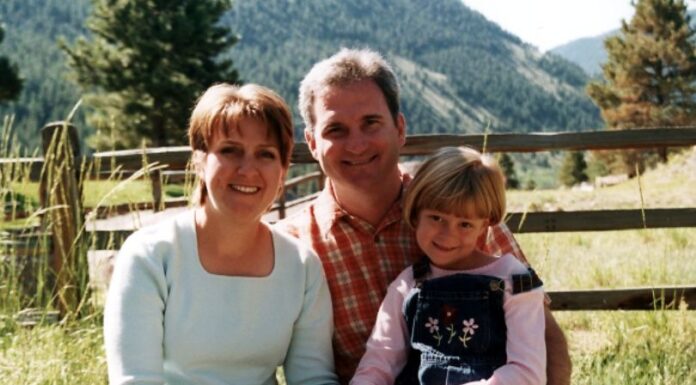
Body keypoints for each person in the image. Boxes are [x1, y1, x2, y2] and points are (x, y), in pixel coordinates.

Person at [278, 48, 570, 385]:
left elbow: (544, 336)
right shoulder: (293, 246)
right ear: (312, 143)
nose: (356, 144)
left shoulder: (460, 206)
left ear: (399, 129)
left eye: (371, 123)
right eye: (336, 130)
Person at [104, 83, 338, 385]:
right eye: (230, 151)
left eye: (265, 154)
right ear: (200, 160)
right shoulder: (151, 256)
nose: (247, 169)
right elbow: (135, 380)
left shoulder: (301, 265)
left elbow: (313, 379)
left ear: (283, 169)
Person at [351, 146, 546, 385]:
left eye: (464, 224)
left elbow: (527, 372)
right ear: (415, 214)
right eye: (436, 218)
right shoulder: (408, 283)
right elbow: (379, 362)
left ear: (483, 226)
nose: (447, 235)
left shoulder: (513, 279)